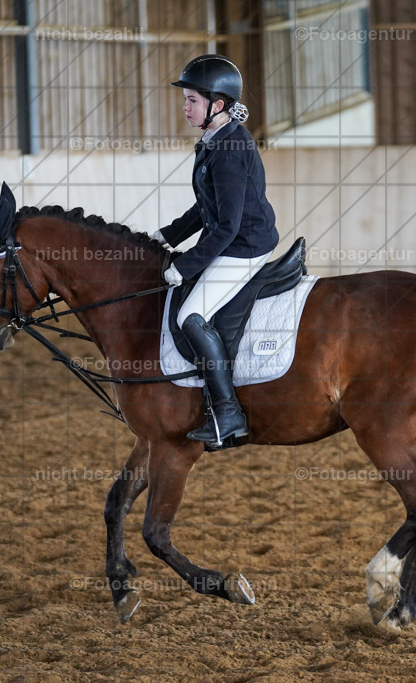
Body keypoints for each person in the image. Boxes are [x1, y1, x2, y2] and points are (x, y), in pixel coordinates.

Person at [149, 54, 279, 448]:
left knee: (191, 315)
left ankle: (228, 412)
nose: (185, 107)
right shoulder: (214, 140)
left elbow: (227, 226)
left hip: (245, 246)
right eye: (186, 99)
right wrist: (167, 236)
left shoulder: (230, 149)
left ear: (217, 105)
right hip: (231, 237)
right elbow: (205, 208)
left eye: (191, 100)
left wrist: (186, 265)